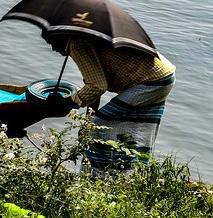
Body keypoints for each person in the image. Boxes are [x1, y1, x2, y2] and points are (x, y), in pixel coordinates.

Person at [43, 32, 176, 174]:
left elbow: (97, 86)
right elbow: (95, 85)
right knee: (134, 125)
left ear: (61, 37)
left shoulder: (77, 44)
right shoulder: (86, 38)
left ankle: (100, 173)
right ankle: (131, 170)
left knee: (100, 126)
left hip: (152, 80)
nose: (53, 48)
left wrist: (67, 101)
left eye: (52, 42)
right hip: (164, 75)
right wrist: (88, 120)